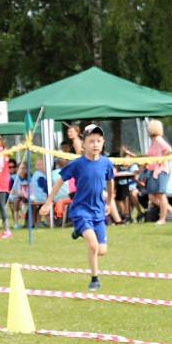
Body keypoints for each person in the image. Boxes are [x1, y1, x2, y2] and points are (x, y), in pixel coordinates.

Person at [40, 124, 114, 291]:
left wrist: (110, 202)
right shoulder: (77, 164)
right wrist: (48, 201)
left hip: (98, 211)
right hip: (81, 210)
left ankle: (78, 231)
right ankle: (95, 279)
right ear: (84, 143)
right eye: (91, 141)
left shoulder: (106, 163)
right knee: (93, 246)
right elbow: (60, 180)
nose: (95, 144)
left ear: (103, 143)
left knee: (102, 250)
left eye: (98, 141)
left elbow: (110, 182)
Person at [145, 119, 172, 225]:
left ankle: (162, 219)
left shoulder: (158, 139)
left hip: (160, 171)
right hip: (153, 171)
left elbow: (169, 149)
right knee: (152, 196)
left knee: (161, 195)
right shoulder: (153, 141)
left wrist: (161, 158)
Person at [9, 161, 29, 227]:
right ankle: (16, 223)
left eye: (24, 168)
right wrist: (18, 192)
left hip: (26, 196)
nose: (22, 170)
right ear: (17, 169)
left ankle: (29, 222)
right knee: (16, 200)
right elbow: (9, 190)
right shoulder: (13, 178)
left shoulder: (29, 178)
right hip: (14, 196)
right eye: (21, 168)